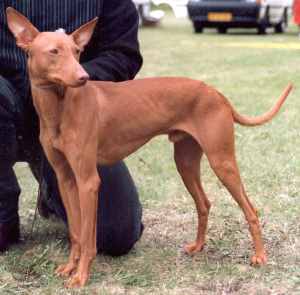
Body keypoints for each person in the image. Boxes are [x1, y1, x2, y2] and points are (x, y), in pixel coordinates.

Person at [0, 0, 144, 256]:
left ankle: (52, 189)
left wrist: (70, 75)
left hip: (74, 115)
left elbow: (124, 55)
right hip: (7, 107)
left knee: (115, 235)